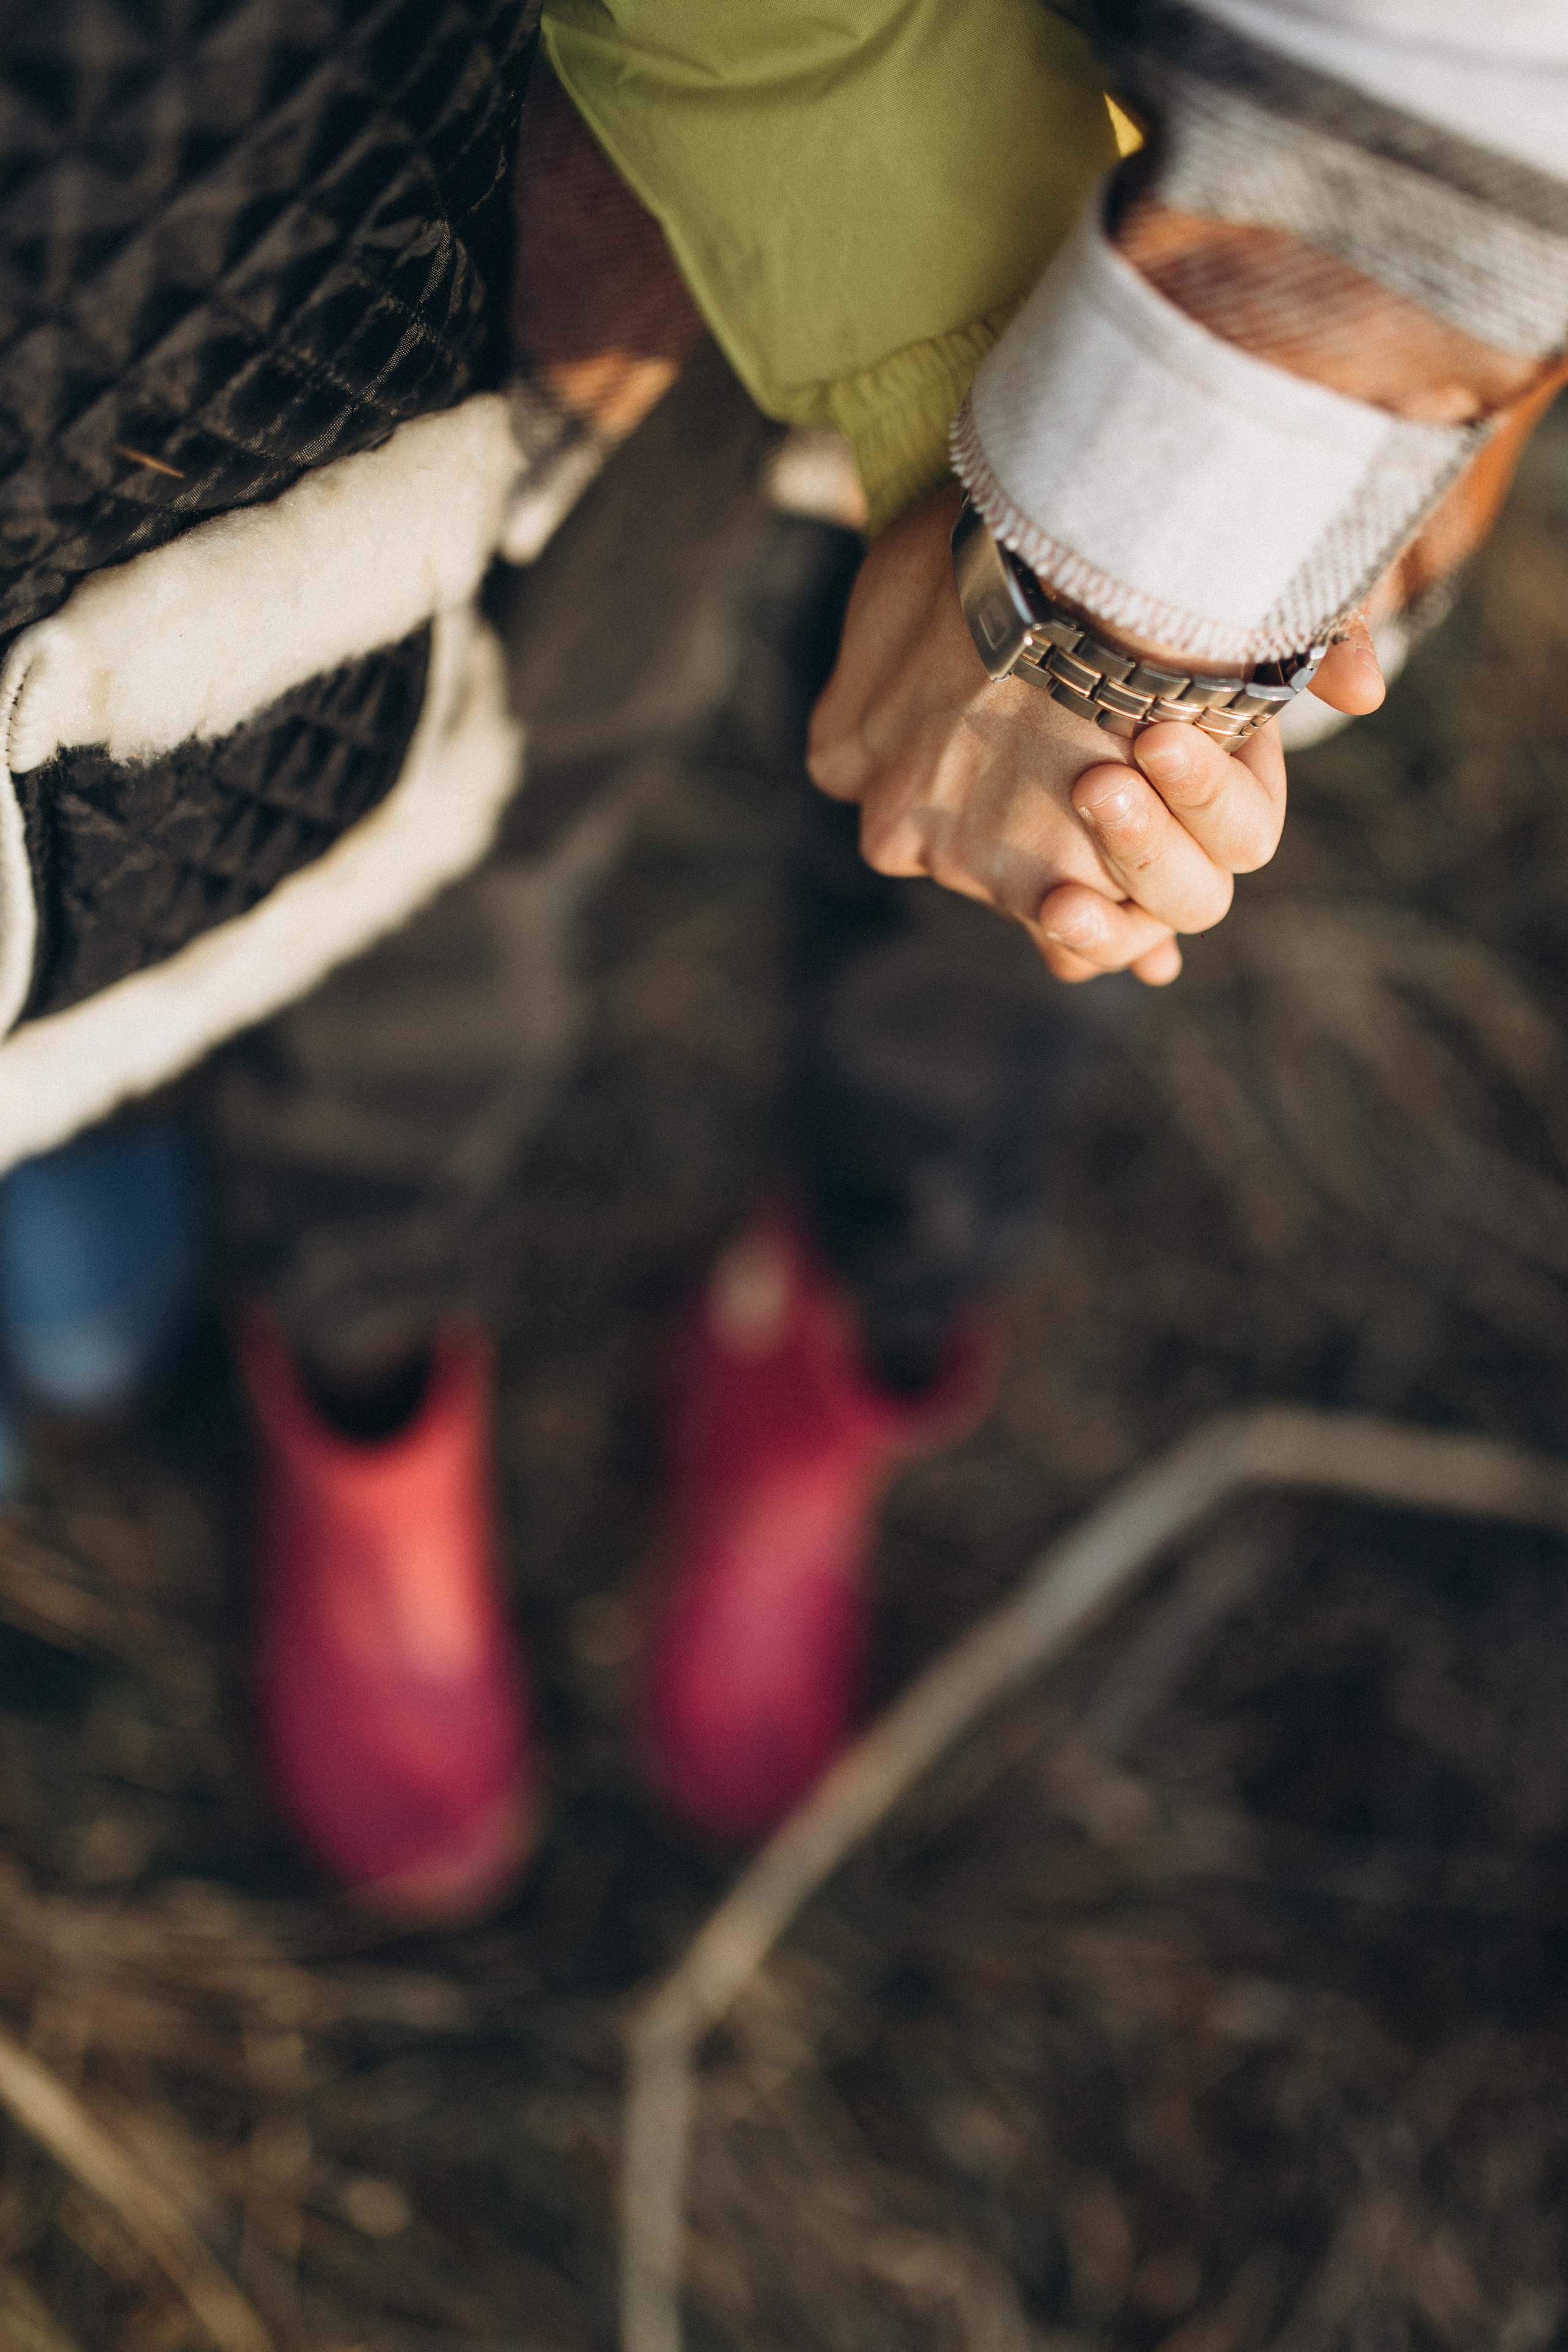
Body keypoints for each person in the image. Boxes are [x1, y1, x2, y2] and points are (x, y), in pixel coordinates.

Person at [0, 1, 1561, 1913]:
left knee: (1042, 909)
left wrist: (1134, 571)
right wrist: (1078, 546)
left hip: (1373, 318)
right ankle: (367, 1366)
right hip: (641, 105)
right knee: (462, 782)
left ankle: (822, 1351)